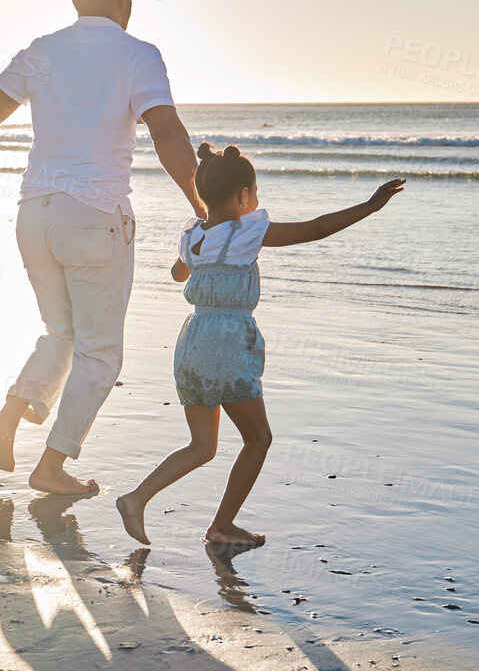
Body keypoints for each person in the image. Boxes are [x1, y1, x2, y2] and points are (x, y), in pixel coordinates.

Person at [0, 0, 204, 496]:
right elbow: (165, 131)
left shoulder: (40, 51)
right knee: (99, 353)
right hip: (95, 218)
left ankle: (7, 419)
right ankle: (51, 466)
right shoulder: (139, 55)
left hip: (35, 214)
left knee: (62, 334)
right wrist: (201, 202)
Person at [115, 144, 405, 546]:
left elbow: (177, 273)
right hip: (227, 347)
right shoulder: (248, 232)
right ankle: (220, 526)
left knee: (201, 446)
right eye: (254, 191)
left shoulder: (193, 236)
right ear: (242, 196)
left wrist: (201, 249)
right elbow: (316, 229)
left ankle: (137, 498)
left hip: (192, 343)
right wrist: (370, 205)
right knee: (258, 439)